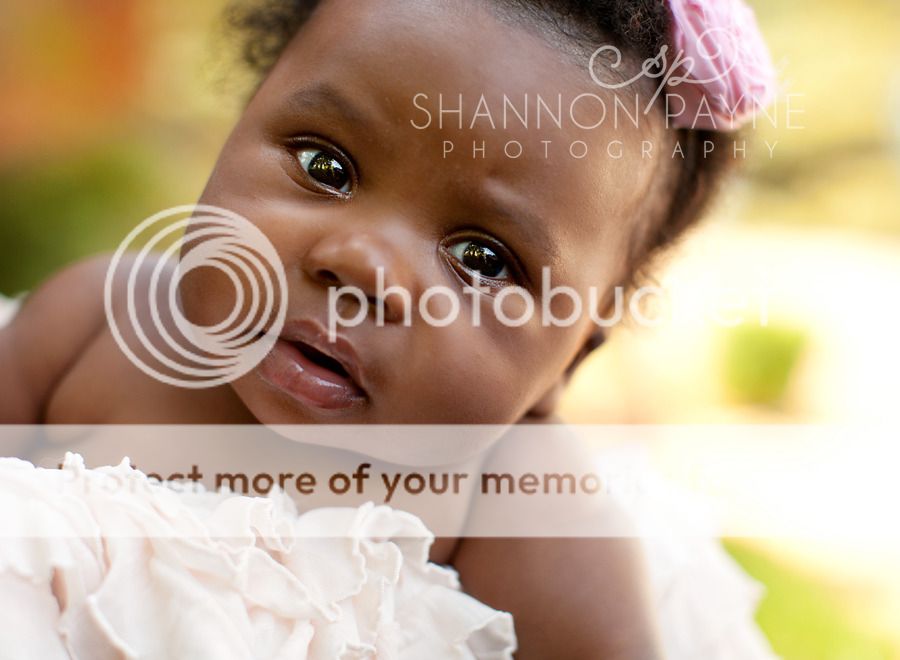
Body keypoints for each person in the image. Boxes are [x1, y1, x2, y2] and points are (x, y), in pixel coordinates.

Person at [0, 0, 779, 656]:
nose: (363, 265)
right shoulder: (98, 320)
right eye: (326, 166)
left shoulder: (510, 496)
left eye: (483, 258)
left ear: (570, 361)